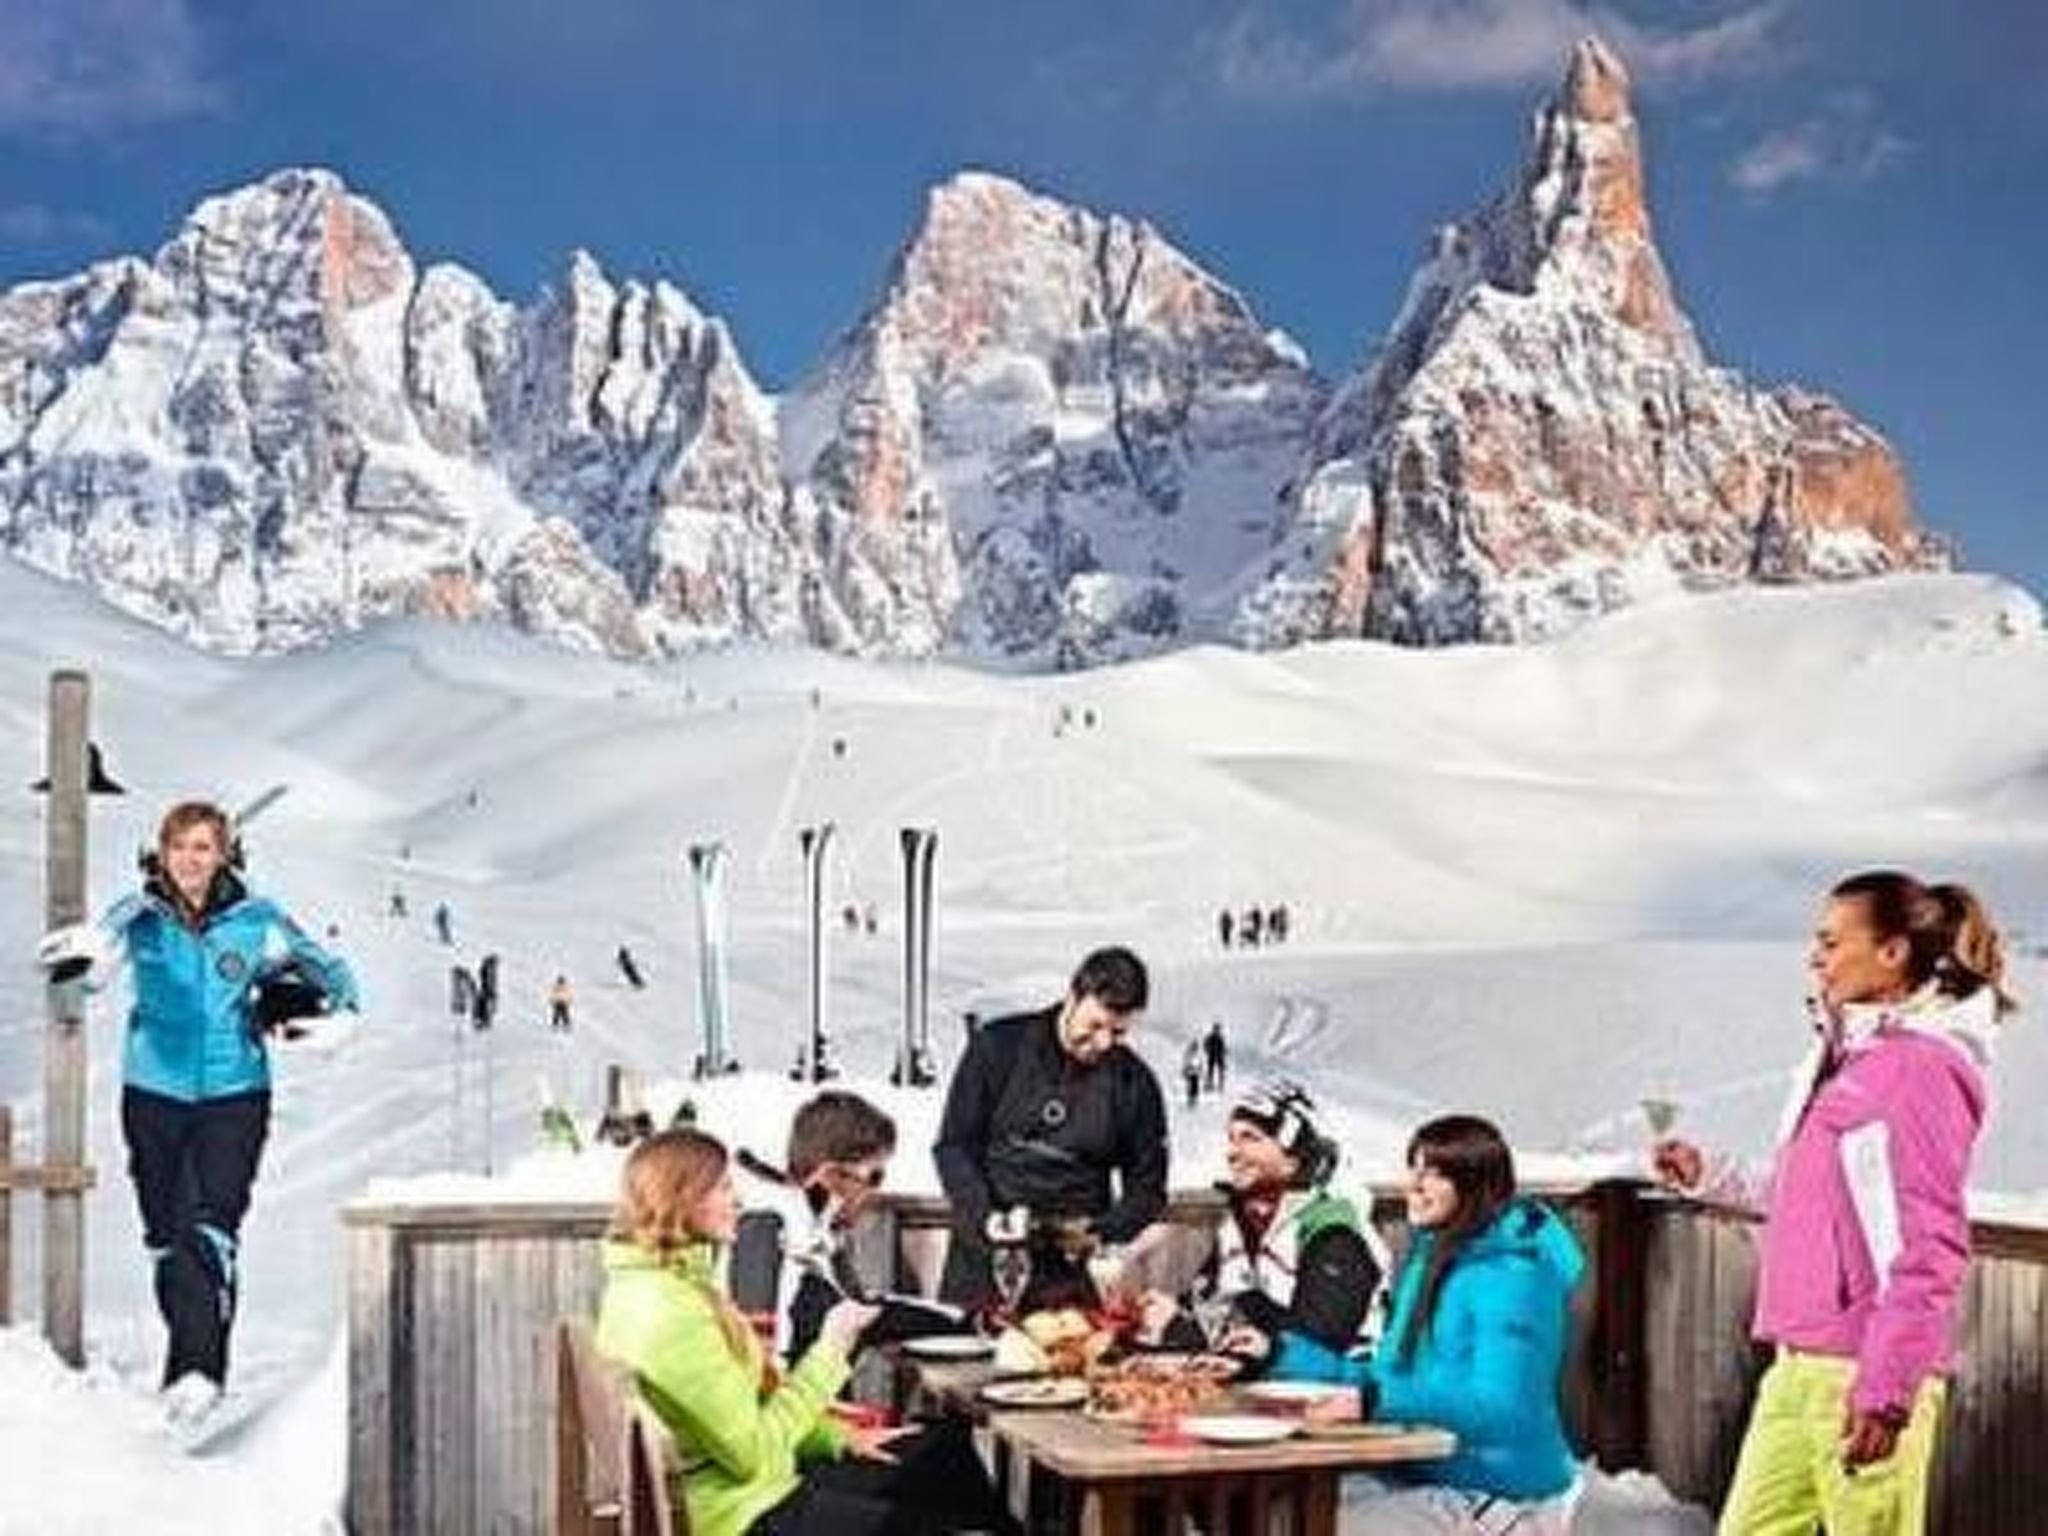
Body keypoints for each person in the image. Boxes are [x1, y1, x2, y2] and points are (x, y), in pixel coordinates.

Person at [1655, 872, 2013, 1536]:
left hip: (1863, 1372)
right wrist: (1710, 1174)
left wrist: (1887, 1389)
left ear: (1893, 952)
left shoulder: (1919, 1070)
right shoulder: (1853, 1059)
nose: (1814, 956)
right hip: (1798, 1364)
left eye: (1829, 940)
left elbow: (1928, 1241)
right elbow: (1815, 1197)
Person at [36, 800, 359, 1424]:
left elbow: (330, 969)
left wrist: (341, 1016)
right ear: (162, 852)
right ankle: (191, 1364)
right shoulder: (138, 916)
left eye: (203, 847)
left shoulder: (256, 920)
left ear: (223, 854)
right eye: (180, 846)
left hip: (235, 1096)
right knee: (165, 1238)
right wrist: (87, 963)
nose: (190, 859)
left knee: (210, 1230)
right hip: (153, 1093)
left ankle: (197, 1370)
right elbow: (88, 966)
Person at [595, 1129, 1016, 1536]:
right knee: (950, 1507)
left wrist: (840, 1439)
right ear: (683, 1199)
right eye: (723, 1188)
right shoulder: (671, 1313)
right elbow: (752, 1454)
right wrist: (832, 1348)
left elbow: (750, 1413)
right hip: (744, 1514)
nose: (738, 1200)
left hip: (744, 1495)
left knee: (943, 1457)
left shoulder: (668, 1287)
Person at [1267, 1114, 1584, 1533]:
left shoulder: (1515, 1276)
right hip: (1422, 1475)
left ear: (1475, 1185)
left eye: (1434, 1174)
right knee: (1273, 1512)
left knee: (1310, 1526)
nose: (1413, 1187)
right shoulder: (1433, 1259)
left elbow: (1503, 1409)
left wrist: (1374, 1401)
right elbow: (1389, 1380)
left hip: (1501, 1498)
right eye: (1414, 1169)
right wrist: (1277, 1353)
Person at [932, 945, 1168, 1312]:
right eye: (1094, 1026)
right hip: (984, 1260)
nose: (1103, 1043)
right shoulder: (997, 1048)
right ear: (1072, 997)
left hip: (1072, 1272)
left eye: (1118, 1033)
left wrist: (1103, 1230)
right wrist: (985, 1216)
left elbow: (1147, 1188)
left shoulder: (1134, 1083)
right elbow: (954, 1146)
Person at [1137, 1080, 1388, 1367]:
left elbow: (1316, 1344)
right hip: (1266, 1390)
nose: (1233, 1152)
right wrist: (1171, 1316)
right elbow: (1207, 1308)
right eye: (1232, 1139)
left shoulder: (1333, 1232)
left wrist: (1191, 1328)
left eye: (1250, 1138)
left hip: (1340, 1395)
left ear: (1293, 1157)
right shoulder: (1238, 1226)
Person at [734, 1092, 966, 1361]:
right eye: (874, 1176)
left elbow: (861, 1306)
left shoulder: (812, 1226)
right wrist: (962, 1323)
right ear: (832, 1175)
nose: (875, 1190)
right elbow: (766, 1353)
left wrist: (962, 1320)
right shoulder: (772, 1228)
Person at [1202, 1019, 1229, 1094]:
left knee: (1220, 1071)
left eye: (1218, 1029)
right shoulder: (1210, 1037)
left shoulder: (1220, 1038)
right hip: (1212, 1055)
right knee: (1210, 1071)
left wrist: (1224, 1052)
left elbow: (1223, 1047)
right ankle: (1210, 1084)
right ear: (1213, 1029)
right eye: (1216, 1029)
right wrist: (1208, 1051)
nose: (1217, 1031)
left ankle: (1220, 1085)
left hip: (1219, 1056)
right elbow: (1205, 1045)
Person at [1181, 1039, 1203, 1110]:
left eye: (1196, 1046)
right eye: (1194, 1046)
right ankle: (1190, 1099)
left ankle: (1194, 1098)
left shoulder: (1198, 1054)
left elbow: (1200, 1063)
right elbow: (1185, 1062)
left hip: (1195, 1073)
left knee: (1195, 1086)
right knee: (1190, 1086)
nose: (1195, 1047)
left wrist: (1200, 1070)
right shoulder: (1188, 1053)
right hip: (1190, 1072)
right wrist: (1185, 1070)